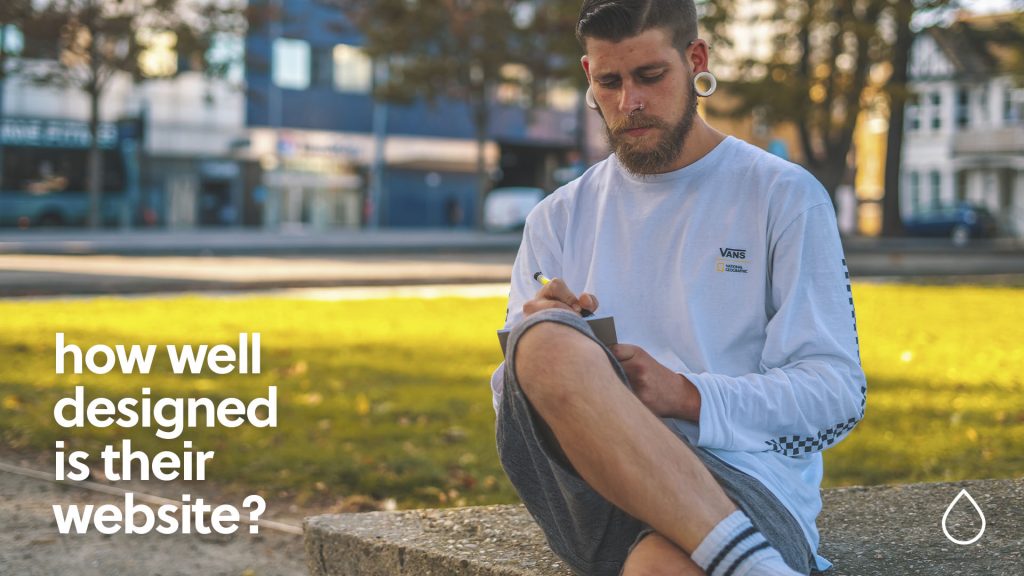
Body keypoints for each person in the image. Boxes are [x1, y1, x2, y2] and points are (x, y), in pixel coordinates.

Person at [489, 1, 867, 575]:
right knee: (538, 338)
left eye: (650, 76)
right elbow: (513, 406)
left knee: (660, 569)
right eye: (611, 82)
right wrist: (554, 354)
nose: (629, 103)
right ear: (590, 77)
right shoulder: (556, 217)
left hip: (737, 482)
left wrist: (686, 394)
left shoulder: (782, 195)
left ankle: (748, 560)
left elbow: (837, 395)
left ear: (695, 60)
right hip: (595, 489)